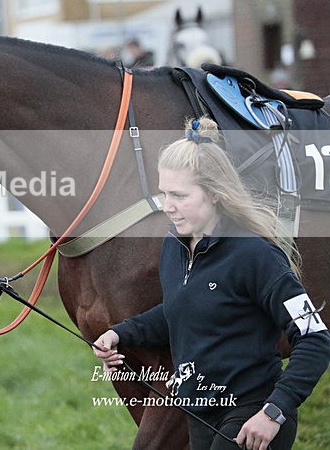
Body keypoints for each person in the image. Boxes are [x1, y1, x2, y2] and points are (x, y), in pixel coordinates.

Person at [93, 117, 330, 450]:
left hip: (253, 417)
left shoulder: (255, 254)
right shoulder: (174, 246)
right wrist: (120, 334)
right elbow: (182, 308)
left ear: (215, 194)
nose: (167, 206)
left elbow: (315, 337)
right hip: (200, 415)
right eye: (164, 193)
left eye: (179, 195)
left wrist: (273, 412)